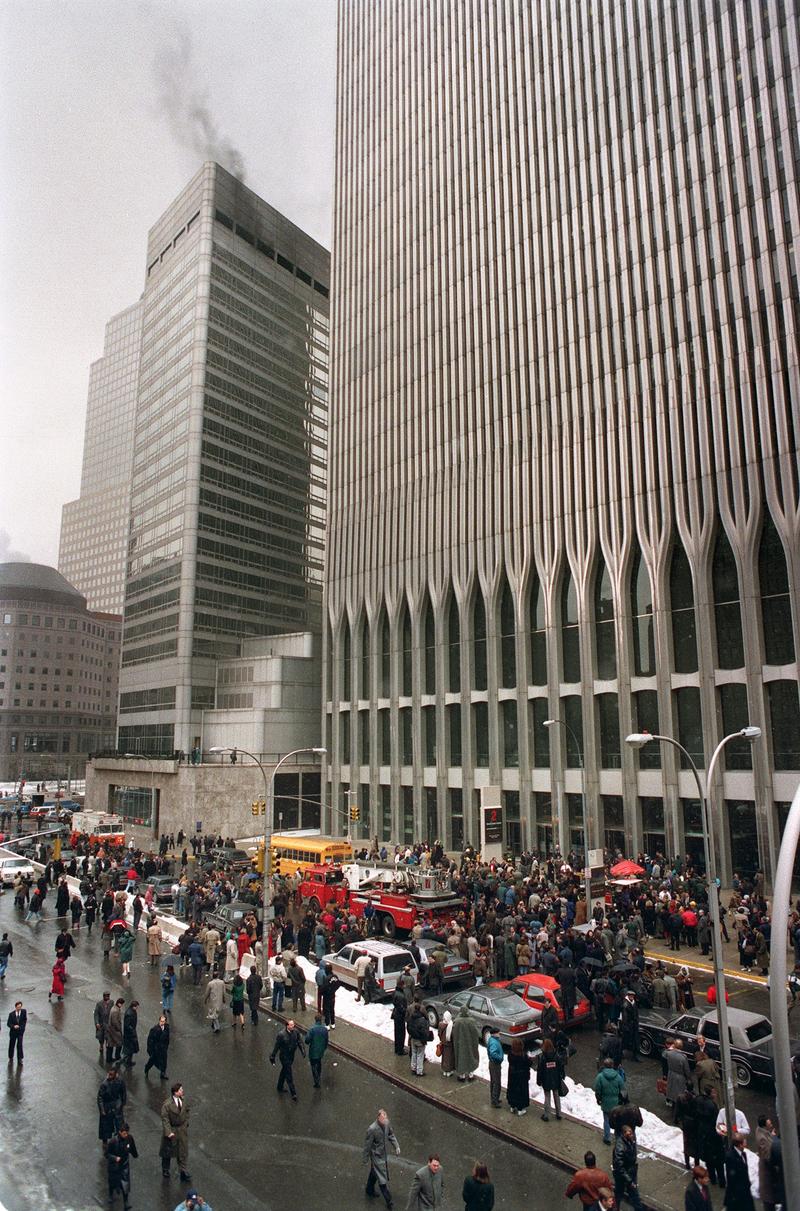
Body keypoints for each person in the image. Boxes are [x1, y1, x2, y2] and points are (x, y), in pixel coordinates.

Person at [363, 1108, 401, 1209]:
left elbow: (391, 1135)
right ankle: (389, 1201)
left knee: (374, 1173)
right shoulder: (372, 1129)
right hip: (376, 1157)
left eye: (386, 1117)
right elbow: (367, 1145)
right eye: (383, 1118)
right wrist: (365, 1159)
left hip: (383, 1155)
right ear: (378, 1117)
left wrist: (396, 1146)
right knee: (382, 1179)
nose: (385, 1120)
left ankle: (369, 1189)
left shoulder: (387, 1123)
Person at [160, 1082, 192, 1182]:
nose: (182, 1091)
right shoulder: (167, 1104)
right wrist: (168, 1132)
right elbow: (165, 1119)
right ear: (175, 1092)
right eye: (180, 1090)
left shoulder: (184, 1100)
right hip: (172, 1130)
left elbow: (187, 1111)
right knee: (168, 1151)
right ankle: (165, 1169)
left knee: (182, 1151)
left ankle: (183, 1171)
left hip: (181, 1130)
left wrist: (186, 1123)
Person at [270, 1018, 306, 1101]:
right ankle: (293, 1093)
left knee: (285, 1070)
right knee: (288, 1073)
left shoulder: (296, 1032)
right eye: (291, 1025)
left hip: (291, 1055)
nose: (293, 1026)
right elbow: (277, 1046)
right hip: (284, 1056)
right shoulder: (281, 1035)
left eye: (293, 1024)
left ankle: (279, 1086)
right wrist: (273, 1056)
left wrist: (302, 1051)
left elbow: (299, 1042)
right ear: (287, 1026)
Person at [594, 1058, 626, 1144]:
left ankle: (607, 1138)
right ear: (612, 1065)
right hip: (616, 1103)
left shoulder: (600, 1077)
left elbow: (598, 1090)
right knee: (617, 1121)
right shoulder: (618, 1076)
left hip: (606, 1102)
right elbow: (623, 1089)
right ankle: (617, 1137)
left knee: (606, 1120)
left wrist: (599, 1099)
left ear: (604, 1066)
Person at [107, 1122, 138, 1210]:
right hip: (114, 1165)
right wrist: (114, 1158)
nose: (126, 1135)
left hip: (124, 1164)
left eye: (127, 1133)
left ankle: (126, 1202)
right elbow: (107, 1154)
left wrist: (135, 1154)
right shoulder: (113, 1141)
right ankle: (110, 1194)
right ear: (120, 1132)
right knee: (113, 1181)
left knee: (125, 1183)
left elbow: (132, 1148)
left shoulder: (129, 1138)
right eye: (124, 1133)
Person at [612, 1124, 643, 1211]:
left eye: (632, 1134)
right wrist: (629, 1181)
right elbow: (619, 1166)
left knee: (634, 1196)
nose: (632, 1136)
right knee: (619, 1194)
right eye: (629, 1134)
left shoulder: (630, 1141)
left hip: (630, 1172)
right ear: (623, 1134)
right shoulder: (620, 1147)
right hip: (623, 1176)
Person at [97, 1068, 127, 1151]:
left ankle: (120, 1139)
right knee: (105, 1125)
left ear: (115, 1075)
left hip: (117, 1105)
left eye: (111, 1075)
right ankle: (105, 1141)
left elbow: (123, 1093)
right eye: (109, 1074)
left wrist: (122, 1104)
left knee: (119, 1124)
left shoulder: (120, 1081)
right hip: (107, 1105)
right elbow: (100, 1098)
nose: (109, 1076)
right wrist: (102, 1109)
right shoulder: (104, 1084)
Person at [723, 1133, 755, 1210]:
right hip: (738, 1195)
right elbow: (732, 1179)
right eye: (744, 1141)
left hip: (745, 1191)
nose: (746, 1142)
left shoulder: (743, 1154)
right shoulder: (730, 1157)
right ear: (740, 1145)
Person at [536, 1037, 565, 1121]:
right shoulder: (556, 1055)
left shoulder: (543, 1057)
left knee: (547, 1097)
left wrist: (539, 1080)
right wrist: (562, 1075)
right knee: (556, 1096)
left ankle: (546, 1115)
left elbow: (540, 1070)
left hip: (546, 1080)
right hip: (555, 1079)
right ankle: (559, 1113)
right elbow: (561, 1066)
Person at [452, 1005, 480, 1081]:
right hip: (470, 1043)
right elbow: (476, 1033)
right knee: (471, 1057)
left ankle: (462, 1076)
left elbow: (453, 1033)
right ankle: (471, 1075)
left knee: (461, 1058)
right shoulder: (472, 1021)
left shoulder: (457, 1021)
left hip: (460, 1043)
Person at [506, 1037, 533, 1116]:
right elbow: (529, 1063)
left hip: (512, 1076)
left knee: (512, 1090)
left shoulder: (510, 1054)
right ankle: (520, 1109)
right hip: (522, 1078)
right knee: (521, 1093)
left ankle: (512, 1106)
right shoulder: (523, 1056)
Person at [664, 1039, 693, 1108]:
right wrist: (689, 1078)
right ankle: (678, 1105)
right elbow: (686, 1069)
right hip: (680, 1076)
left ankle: (671, 1101)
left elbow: (664, 1055)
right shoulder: (683, 1057)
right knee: (679, 1091)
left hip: (671, 1073)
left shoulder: (668, 1053)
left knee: (671, 1089)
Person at [304, 1013, 329, 1089]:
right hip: (321, 1050)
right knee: (319, 1063)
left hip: (313, 1050)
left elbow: (307, 1040)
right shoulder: (324, 1029)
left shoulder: (312, 1029)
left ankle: (316, 1080)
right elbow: (326, 1040)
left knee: (313, 1065)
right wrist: (324, 1047)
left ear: (315, 1020)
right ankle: (319, 1075)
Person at [406, 999, 430, 1077]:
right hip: (420, 1040)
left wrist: (412, 1035)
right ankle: (419, 1071)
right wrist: (424, 1039)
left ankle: (413, 1068)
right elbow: (424, 1031)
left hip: (413, 1038)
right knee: (420, 1055)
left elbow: (408, 1027)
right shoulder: (422, 1020)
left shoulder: (411, 1018)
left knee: (414, 1053)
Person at [145, 1014, 171, 1079]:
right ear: (159, 1021)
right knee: (153, 1060)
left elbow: (167, 1038)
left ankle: (163, 1073)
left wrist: (166, 1046)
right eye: (161, 1021)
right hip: (156, 1049)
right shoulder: (154, 1029)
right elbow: (150, 1040)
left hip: (163, 1048)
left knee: (164, 1061)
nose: (162, 1022)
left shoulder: (167, 1028)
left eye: (163, 1021)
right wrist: (150, 1050)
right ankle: (147, 1068)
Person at [486, 1026, 504, 1108]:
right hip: (495, 1064)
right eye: (498, 1032)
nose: (499, 1033)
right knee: (496, 1082)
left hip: (493, 1064)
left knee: (494, 1081)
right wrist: (500, 1058)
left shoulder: (493, 1040)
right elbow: (493, 1053)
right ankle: (494, 1101)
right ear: (495, 1034)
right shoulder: (494, 1042)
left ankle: (494, 1098)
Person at [94, 991, 112, 1062]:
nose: (107, 998)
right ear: (103, 996)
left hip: (107, 1024)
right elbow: (96, 1014)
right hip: (101, 1024)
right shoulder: (99, 1004)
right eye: (106, 996)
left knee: (107, 1036)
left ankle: (107, 1045)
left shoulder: (111, 1003)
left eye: (108, 996)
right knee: (100, 1037)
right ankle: (101, 1045)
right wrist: (97, 1023)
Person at [122, 1000, 140, 1069]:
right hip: (129, 1035)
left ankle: (129, 1061)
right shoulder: (129, 1014)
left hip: (131, 1034)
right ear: (133, 1006)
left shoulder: (132, 1011)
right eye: (136, 1007)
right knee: (129, 1050)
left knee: (131, 1049)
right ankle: (126, 1063)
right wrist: (132, 1031)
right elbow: (127, 1025)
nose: (137, 1008)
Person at [437, 1010, 455, 1077]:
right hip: (449, 1044)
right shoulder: (451, 1025)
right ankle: (449, 1071)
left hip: (443, 1043)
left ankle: (444, 1070)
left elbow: (439, 1034)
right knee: (449, 1057)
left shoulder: (440, 1024)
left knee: (444, 1057)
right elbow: (453, 1035)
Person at [391, 987, 408, 1055]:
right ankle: (400, 1050)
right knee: (401, 1034)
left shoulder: (395, 992)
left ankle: (397, 1048)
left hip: (396, 1015)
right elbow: (401, 1007)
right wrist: (405, 1012)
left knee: (397, 1033)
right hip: (400, 1016)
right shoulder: (401, 995)